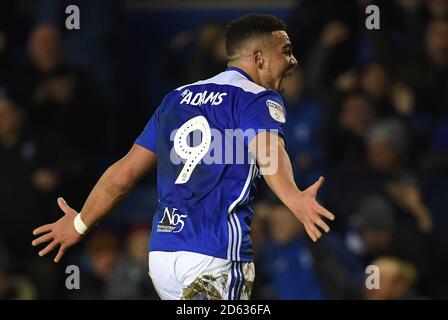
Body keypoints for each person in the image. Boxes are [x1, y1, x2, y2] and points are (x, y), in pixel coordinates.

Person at [31, 14, 335, 300]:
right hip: (214, 255)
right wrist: (293, 197)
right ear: (258, 58)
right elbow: (268, 152)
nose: (293, 60)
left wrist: (81, 223)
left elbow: (122, 178)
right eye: (286, 51)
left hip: (163, 257)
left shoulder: (175, 99)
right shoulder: (256, 97)